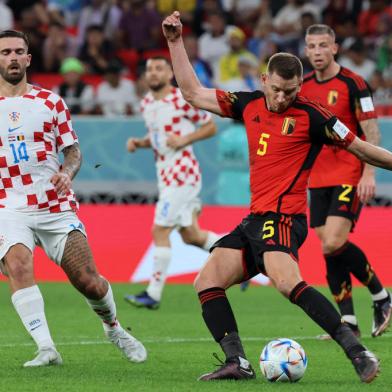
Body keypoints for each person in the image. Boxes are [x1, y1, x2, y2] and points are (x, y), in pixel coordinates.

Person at [161, 11, 392, 382]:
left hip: (284, 219)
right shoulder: (248, 103)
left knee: (287, 284)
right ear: (263, 79)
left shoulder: (315, 116)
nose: (283, 98)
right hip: (254, 219)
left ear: (300, 86)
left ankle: (358, 351)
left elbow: (363, 148)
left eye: (292, 91)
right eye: (277, 89)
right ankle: (238, 362)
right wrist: (175, 43)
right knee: (206, 282)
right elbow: (192, 93)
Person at [0, 30, 147, 367]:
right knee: (19, 266)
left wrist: (67, 174)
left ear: (28, 59)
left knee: (89, 282)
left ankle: (113, 328)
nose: (12, 57)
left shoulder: (50, 102)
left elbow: (74, 152)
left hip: (54, 205)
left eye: (18, 51)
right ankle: (46, 348)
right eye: (5, 51)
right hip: (8, 205)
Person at [302, 24, 391, 339]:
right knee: (329, 249)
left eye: (323, 45)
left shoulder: (354, 83)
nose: (317, 52)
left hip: (349, 171)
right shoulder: (303, 86)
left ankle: (382, 296)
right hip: (317, 178)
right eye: (311, 46)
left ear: (335, 48)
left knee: (334, 242)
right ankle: (349, 322)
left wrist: (369, 171)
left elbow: (372, 131)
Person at [124, 56, 221, 310]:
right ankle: (243, 257)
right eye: (149, 70)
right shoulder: (146, 103)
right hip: (166, 175)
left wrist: (185, 139)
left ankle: (153, 294)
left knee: (160, 230)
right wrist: (140, 142)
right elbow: (158, 138)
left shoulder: (181, 99)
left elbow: (210, 127)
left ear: (169, 74)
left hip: (182, 173)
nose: (153, 73)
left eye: (159, 69)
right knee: (192, 236)